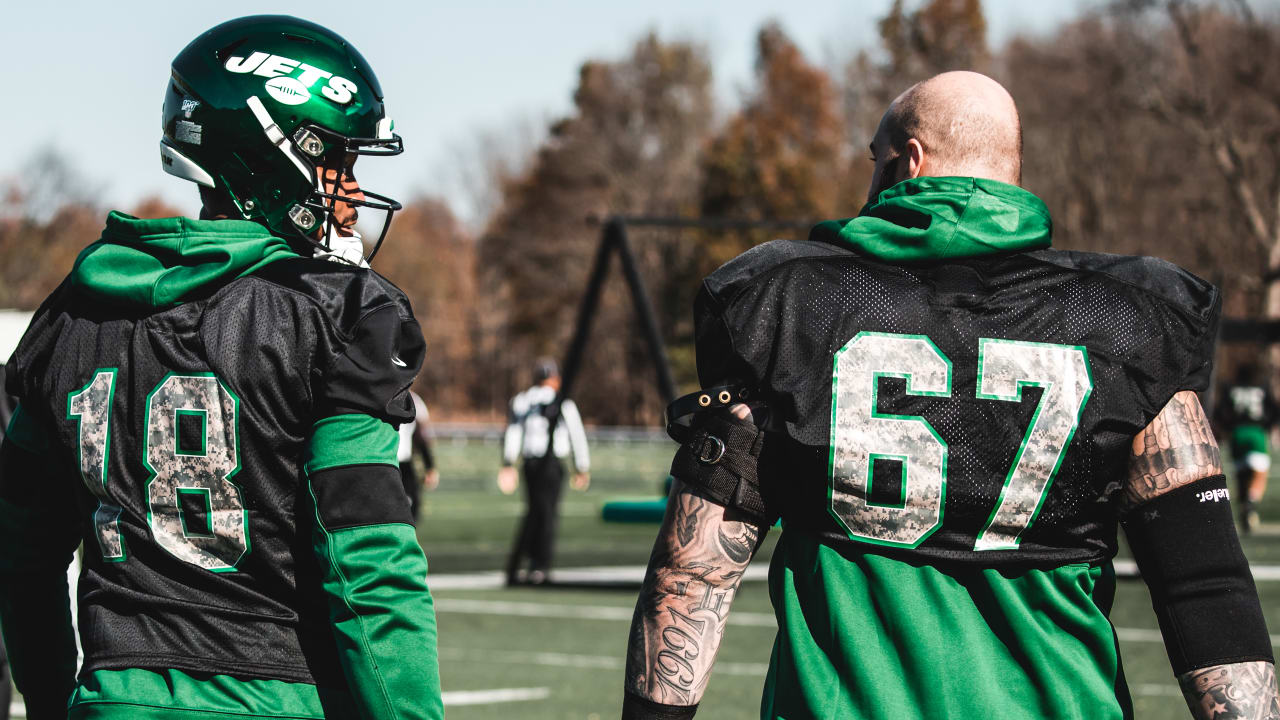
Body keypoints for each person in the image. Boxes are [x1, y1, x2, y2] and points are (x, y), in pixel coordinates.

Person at [623, 71, 1278, 719]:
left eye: (876, 159)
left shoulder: (793, 309)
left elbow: (692, 576)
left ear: (909, 162)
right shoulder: (1130, 325)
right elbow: (1206, 589)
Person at [0, 15, 442, 720]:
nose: (353, 193)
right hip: (279, 698)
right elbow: (367, 565)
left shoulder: (70, 319)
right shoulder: (333, 314)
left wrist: (56, 701)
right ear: (269, 156)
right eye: (338, 164)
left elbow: (21, 560)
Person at [499, 358, 590, 585]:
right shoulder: (562, 401)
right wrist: (581, 466)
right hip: (552, 463)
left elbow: (513, 434)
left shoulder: (521, 400)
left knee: (533, 511)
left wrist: (509, 463)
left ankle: (518, 563)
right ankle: (540, 565)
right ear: (555, 378)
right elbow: (576, 435)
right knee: (548, 515)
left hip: (530, 463)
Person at [1216, 364, 1277, 533]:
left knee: (1242, 474)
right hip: (1256, 432)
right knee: (1260, 472)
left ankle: (1246, 510)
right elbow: (1274, 410)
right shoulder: (1262, 387)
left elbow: (1220, 412)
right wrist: (1267, 425)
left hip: (1237, 434)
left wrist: (1227, 429)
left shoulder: (1230, 388)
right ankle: (1251, 501)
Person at [398, 390, 439, 523]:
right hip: (383, 463)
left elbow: (420, 435)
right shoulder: (377, 393)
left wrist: (429, 466)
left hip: (403, 464)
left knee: (411, 510)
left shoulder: (413, 400)